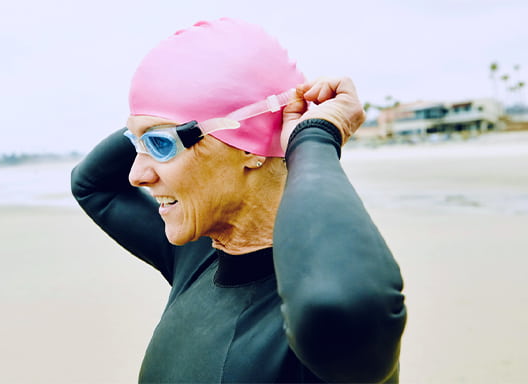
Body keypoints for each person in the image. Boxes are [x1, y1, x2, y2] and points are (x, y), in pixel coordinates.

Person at [71, 18, 406, 383]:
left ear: (250, 150)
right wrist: (156, 118)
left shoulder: (326, 333)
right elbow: (92, 184)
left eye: (160, 144)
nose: (137, 174)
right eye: (136, 144)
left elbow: (339, 305)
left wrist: (315, 137)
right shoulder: (197, 256)